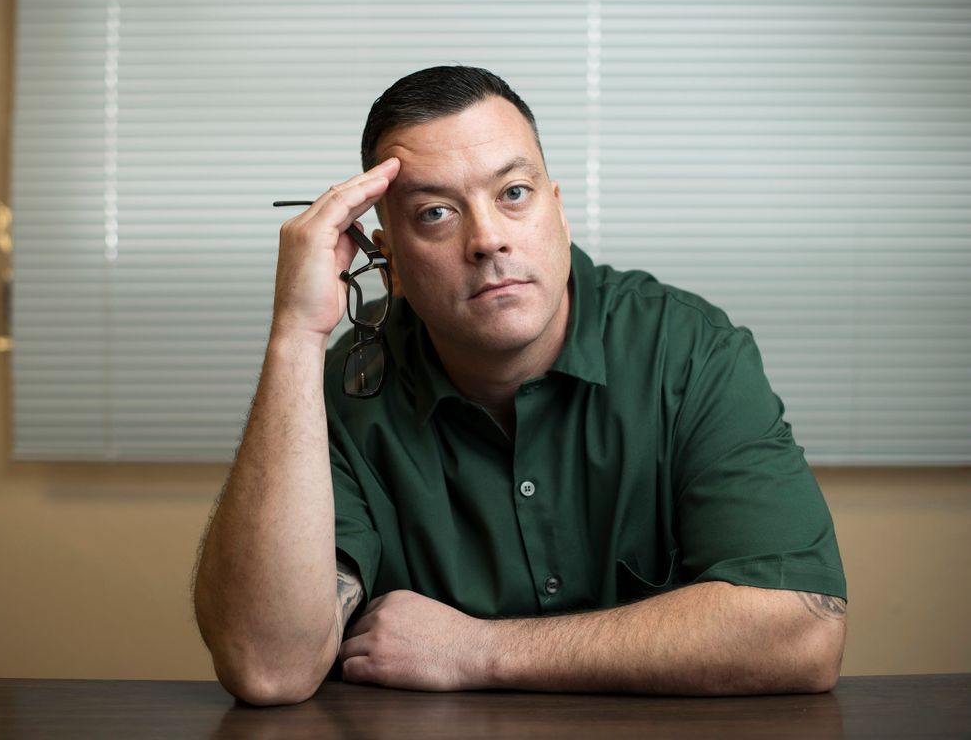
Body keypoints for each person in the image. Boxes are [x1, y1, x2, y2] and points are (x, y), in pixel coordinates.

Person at [193, 65, 847, 706]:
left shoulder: (690, 352)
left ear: (558, 212)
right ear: (385, 258)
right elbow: (269, 667)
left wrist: (475, 650)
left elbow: (802, 634)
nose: (486, 240)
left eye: (512, 194)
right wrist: (295, 335)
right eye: (436, 213)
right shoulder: (345, 392)